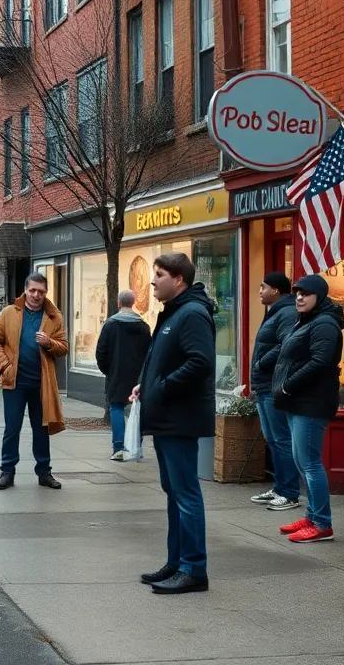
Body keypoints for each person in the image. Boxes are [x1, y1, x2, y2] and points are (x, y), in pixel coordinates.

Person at [131, 252, 216, 595]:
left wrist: (162, 388)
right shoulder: (174, 313)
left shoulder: (192, 314)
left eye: (160, 275)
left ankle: (194, 569)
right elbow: (162, 360)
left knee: (185, 494)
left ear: (178, 279)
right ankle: (176, 561)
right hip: (166, 417)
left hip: (180, 418)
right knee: (173, 494)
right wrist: (146, 384)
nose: (152, 281)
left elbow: (201, 362)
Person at [272, 274, 344, 544]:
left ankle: (322, 524)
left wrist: (289, 386)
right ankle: (312, 515)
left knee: (311, 464)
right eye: (297, 293)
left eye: (306, 293)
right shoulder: (307, 320)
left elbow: (321, 361)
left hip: (310, 404)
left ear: (320, 297)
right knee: (303, 462)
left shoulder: (325, 323)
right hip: (296, 403)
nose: (300, 297)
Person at [0, 272, 68, 490]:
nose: (36, 295)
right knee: (12, 428)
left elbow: (64, 347)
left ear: (46, 293)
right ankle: (7, 471)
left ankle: (44, 472)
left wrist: (49, 342)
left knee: (41, 429)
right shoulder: (9, 313)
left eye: (41, 291)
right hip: (14, 382)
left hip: (42, 384)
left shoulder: (54, 317)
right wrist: (5, 365)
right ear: (25, 290)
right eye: (32, 290)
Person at [248, 272, 302, 511]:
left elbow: (287, 344)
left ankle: (290, 492)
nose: (260, 291)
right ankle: (279, 488)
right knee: (273, 439)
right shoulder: (275, 311)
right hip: (263, 386)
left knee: (281, 439)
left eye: (263, 287)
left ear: (277, 290)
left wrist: (262, 363)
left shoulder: (287, 312)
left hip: (273, 385)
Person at [96, 289, 151, 460]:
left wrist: (108, 370)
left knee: (117, 407)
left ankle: (119, 447)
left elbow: (101, 352)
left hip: (117, 373)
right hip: (139, 376)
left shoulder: (110, 324)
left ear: (119, 303)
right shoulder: (143, 326)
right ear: (133, 303)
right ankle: (135, 447)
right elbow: (150, 352)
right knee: (138, 410)